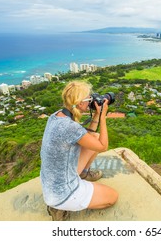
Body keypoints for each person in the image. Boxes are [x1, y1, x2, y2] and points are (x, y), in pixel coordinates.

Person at [40, 80, 118, 221]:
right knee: (112, 197)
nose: (91, 101)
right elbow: (102, 146)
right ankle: (61, 208)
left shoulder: (56, 116)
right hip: (62, 193)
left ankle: (82, 174)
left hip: (50, 184)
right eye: (89, 99)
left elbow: (87, 138)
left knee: (94, 136)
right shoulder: (70, 127)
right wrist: (103, 117)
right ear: (80, 102)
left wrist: (96, 115)